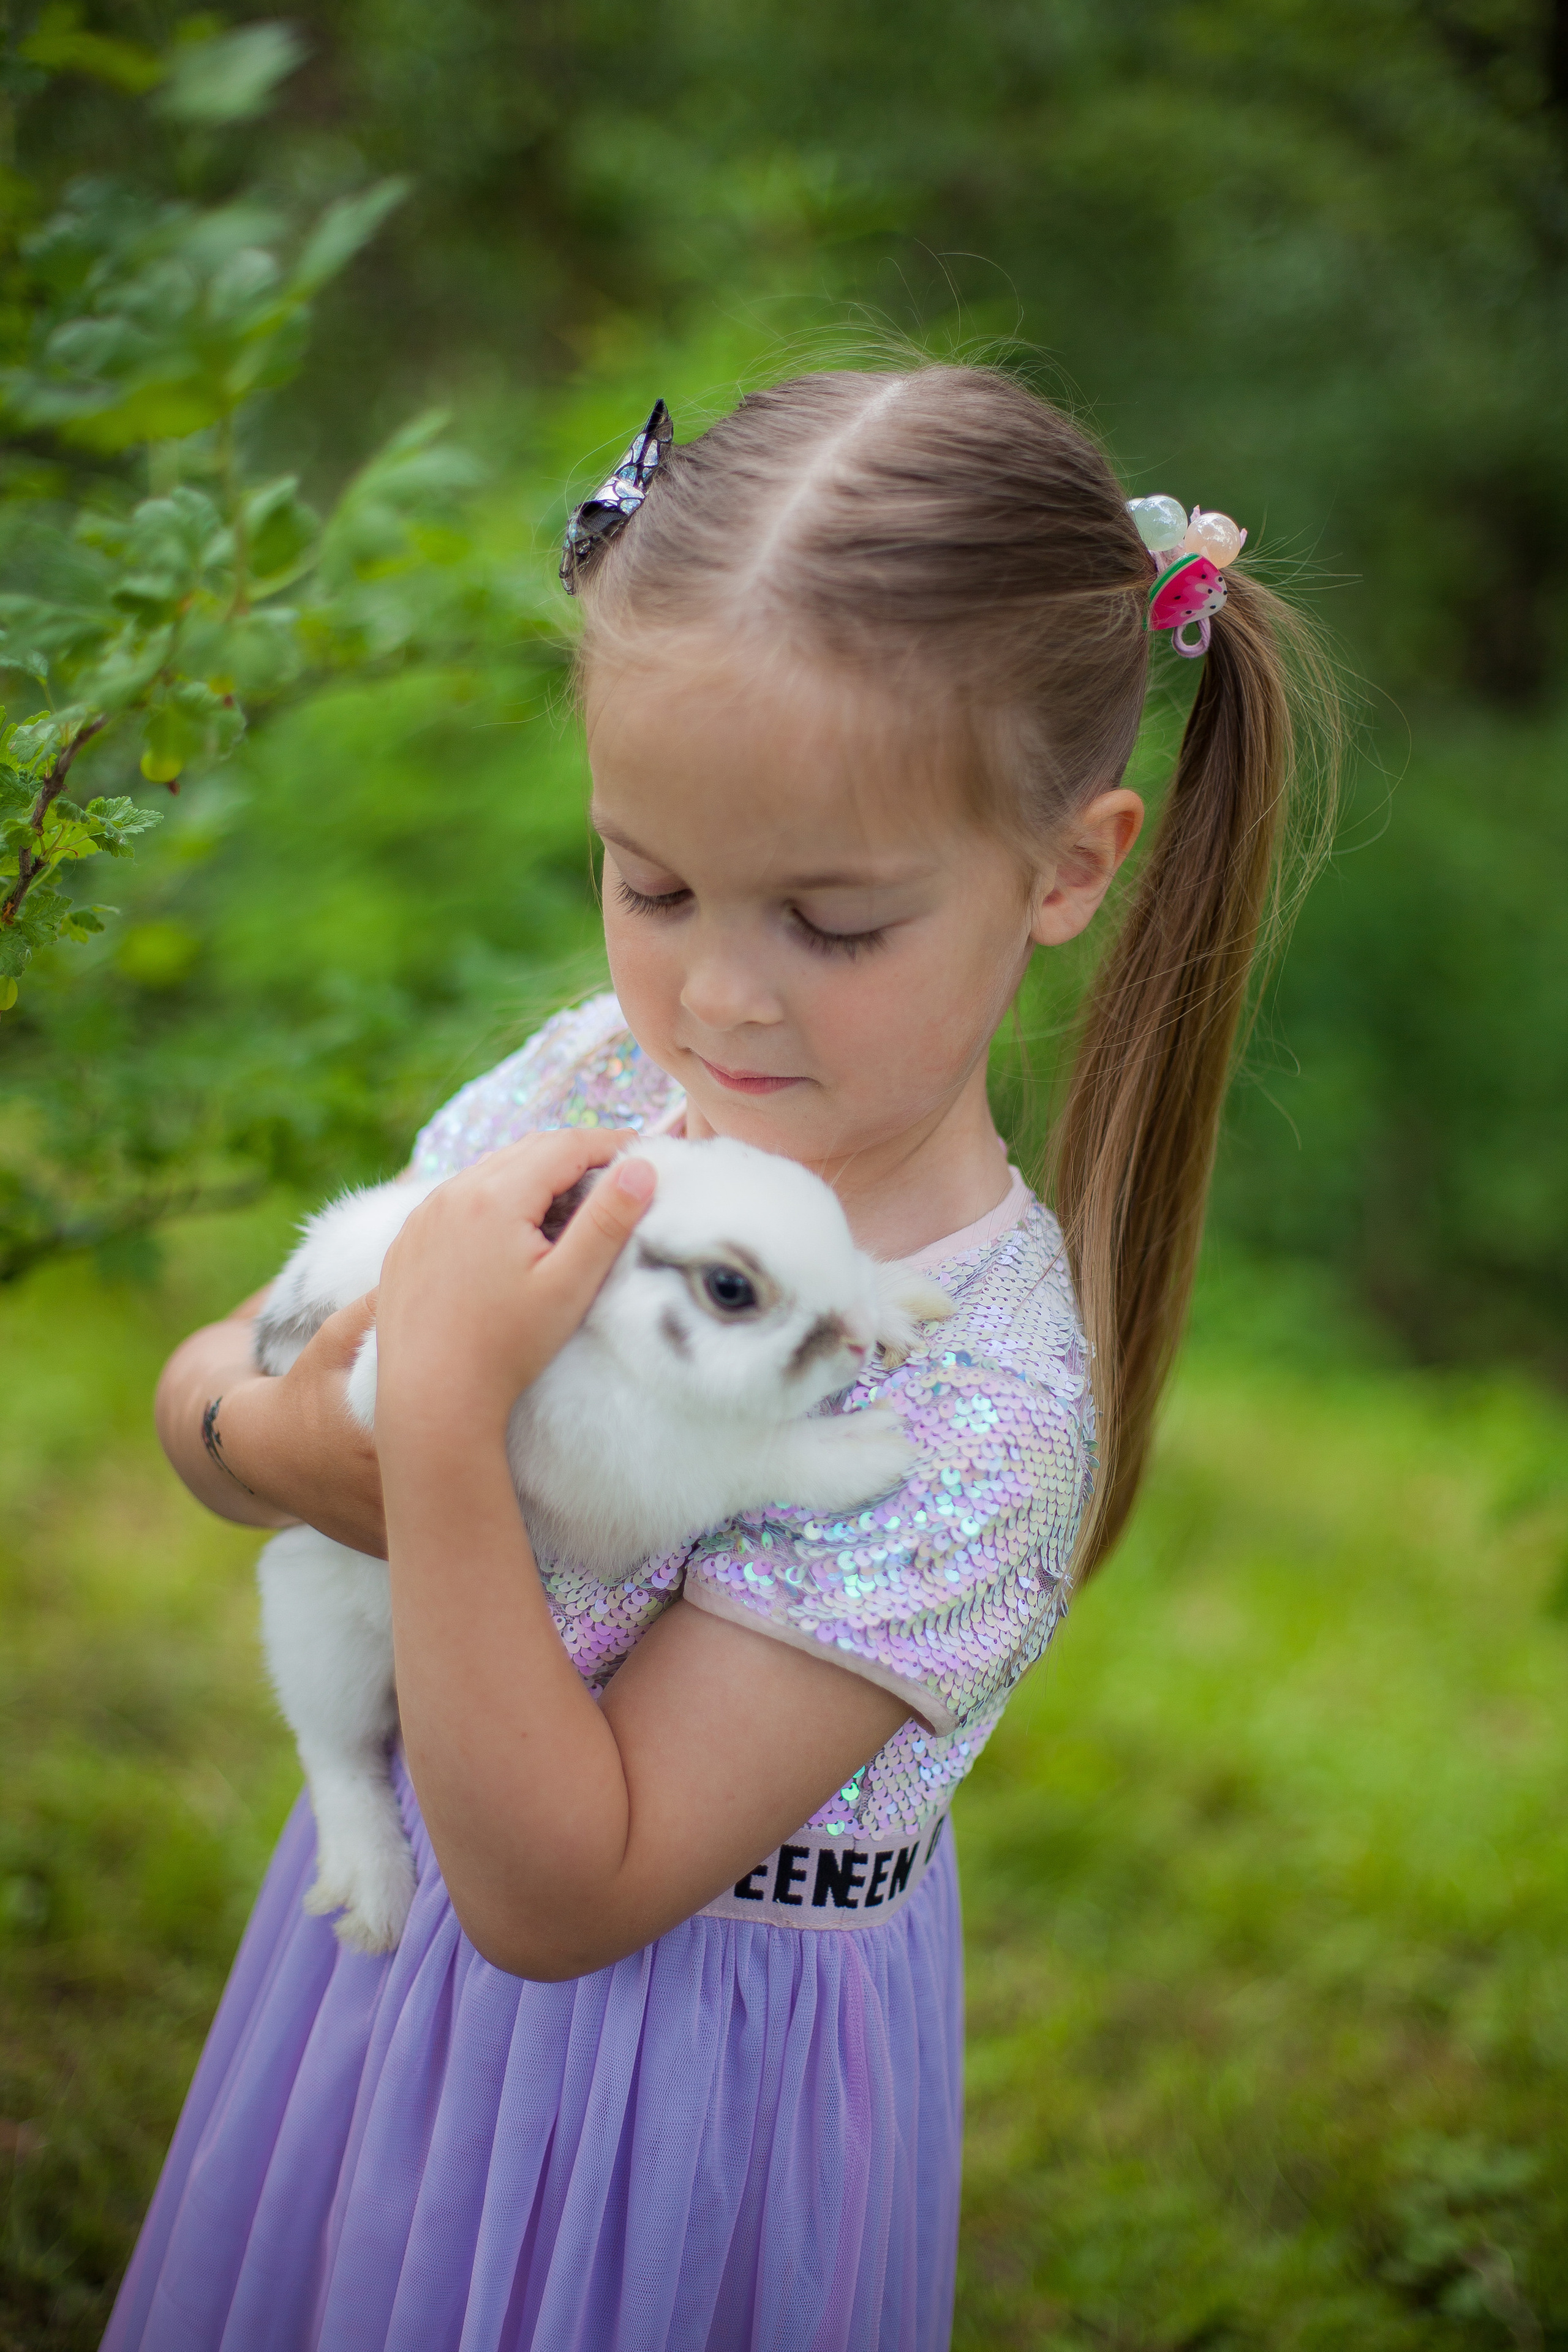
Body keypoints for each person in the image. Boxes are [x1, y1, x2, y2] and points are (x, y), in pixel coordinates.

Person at [105, 364, 1331, 2352]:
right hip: (368, 1977)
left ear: (1067, 868)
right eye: (651, 885)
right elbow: (216, 1397)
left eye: (833, 923)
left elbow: (564, 1895)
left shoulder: (975, 1405)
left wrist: (428, 1438)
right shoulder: (600, 1079)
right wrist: (265, 1428)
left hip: (661, 2098)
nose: (716, 993)